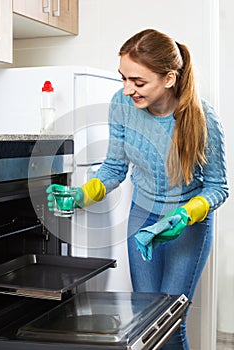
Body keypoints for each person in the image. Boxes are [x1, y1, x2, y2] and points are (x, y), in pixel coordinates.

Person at [46, 29, 229, 349]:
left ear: (169, 79)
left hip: (185, 226)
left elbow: (217, 187)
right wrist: (80, 195)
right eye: (124, 78)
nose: (128, 89)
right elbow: (114, 168)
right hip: (142, 217)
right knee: (147, 318)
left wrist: (186, 214)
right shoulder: (121, 104)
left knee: (171, 324)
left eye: (139, 82)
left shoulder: (203, 118)